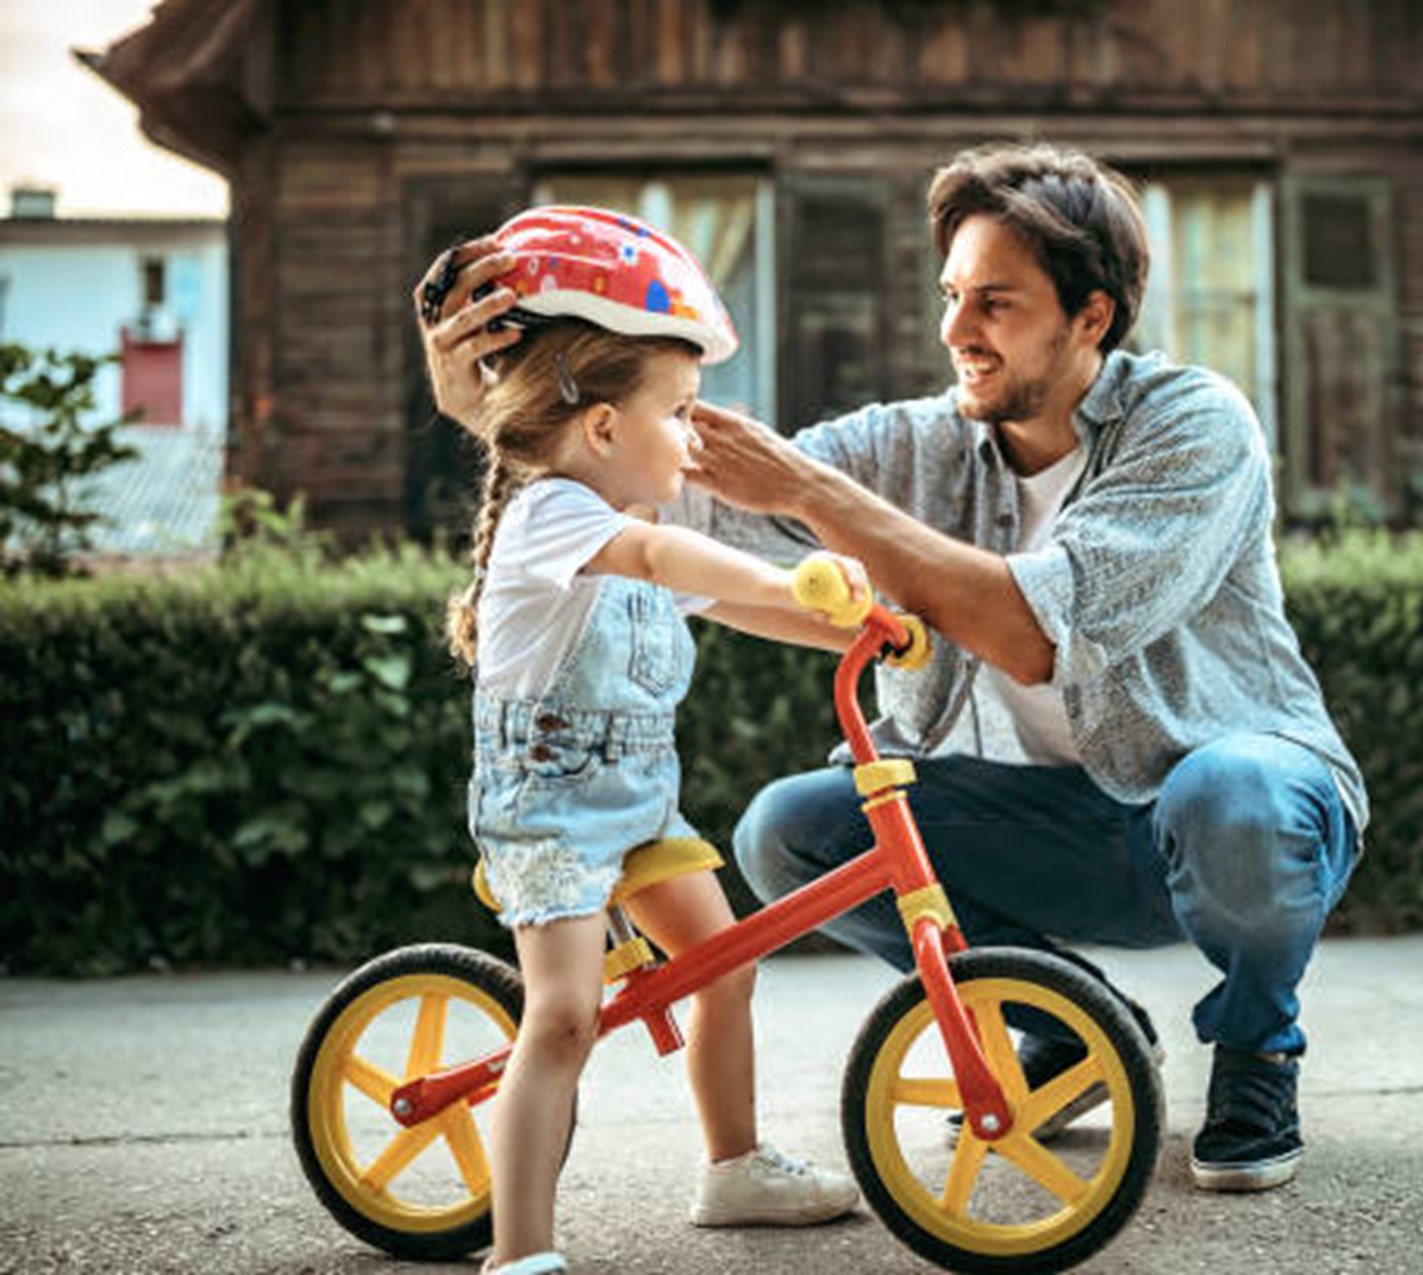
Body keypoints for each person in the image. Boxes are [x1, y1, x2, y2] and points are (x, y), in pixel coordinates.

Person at [418, 145, 1368, 1197]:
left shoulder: (1193, 427)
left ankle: (1256, 1047)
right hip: (1040, 821)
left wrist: (818, 497)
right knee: (791, 831)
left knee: (1233, 793)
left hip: (1209, 815)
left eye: (995, 304)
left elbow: (1029, 628)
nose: (956, 331)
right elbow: (637, 492)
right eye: (951, 296)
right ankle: (1056, 1015)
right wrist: (505, 418)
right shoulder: (907, 444)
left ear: (1089, 317)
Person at [425, 206, 863, 1275]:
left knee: (722, 967)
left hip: (635, 813)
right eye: (678, 409)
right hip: (549, 822)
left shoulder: (631, 523)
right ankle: (520, 1250)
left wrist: (858, 624)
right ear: (604, 428)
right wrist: (785, 572)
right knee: (565, 1016)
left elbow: (734, 606)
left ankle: (732, 1167)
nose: (696, 432)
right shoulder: (554, 518)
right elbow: (674, 566)